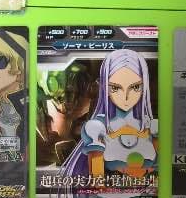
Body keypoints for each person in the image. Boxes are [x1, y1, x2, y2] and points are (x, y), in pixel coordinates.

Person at [61, 49, 157, 182]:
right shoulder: (97, 127)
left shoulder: (151, 125)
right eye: (116, 88)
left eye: (135, 87)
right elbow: (97, 181)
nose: (126, 97)